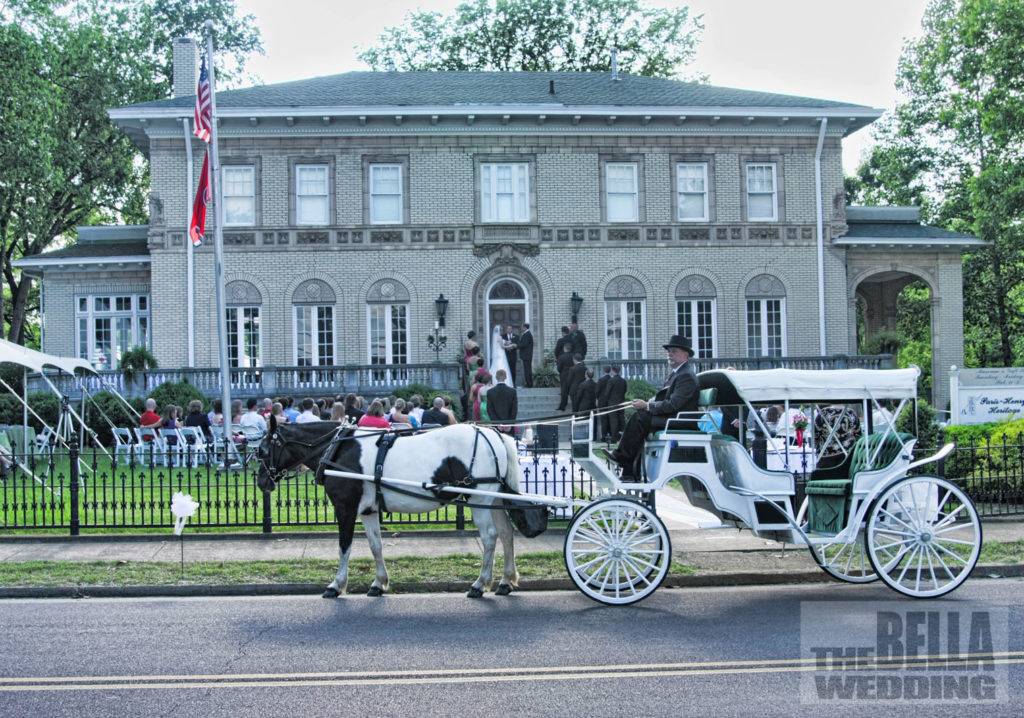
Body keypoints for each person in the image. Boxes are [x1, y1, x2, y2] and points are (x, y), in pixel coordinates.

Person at [611, 336, 699, 480]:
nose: (670, 354)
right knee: (641, 416)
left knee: (641, 418)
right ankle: (629, 469)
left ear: (686, 355)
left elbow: (673, 404)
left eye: (674, 351)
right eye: (669, 351)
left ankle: (624, 459)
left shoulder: (686, 376)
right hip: (672, 417)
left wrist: (647, 406)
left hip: (680, 420)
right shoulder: (676, 374)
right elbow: (664, 399)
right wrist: (647, 403)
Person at [606, 365, 628, 442]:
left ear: (612, 371)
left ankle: (614, 438)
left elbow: (607, 392)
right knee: (622, 420)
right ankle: (624, 437)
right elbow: (625, 390)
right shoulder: (623, 380)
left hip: (612, 403)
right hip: (621, 402)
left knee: (613, 421)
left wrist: (607, 399)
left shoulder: (611, 380)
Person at [556, 342, 575, 411]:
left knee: (564, 391)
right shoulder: (574, 356)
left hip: (564, 375)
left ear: (565, 348)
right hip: (573, 375)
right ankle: (574, 405)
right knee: (573, 390)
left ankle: (563, 406)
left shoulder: (561, 357)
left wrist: (561, 371)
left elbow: (559, 368)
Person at [596, 365, 612, 440]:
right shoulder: (612, 379)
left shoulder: (601, 380)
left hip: (602, 401)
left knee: (603, 419)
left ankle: (604, 436)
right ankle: (610, 434)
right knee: (610, 418)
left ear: (603, 371)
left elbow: (597, 391)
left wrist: (597, 398)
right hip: (610, 401)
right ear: (610, 371)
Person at [517, 322, 535, 388]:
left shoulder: (527, 334)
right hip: (527, 356)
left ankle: (529, 384)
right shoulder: (527, 334)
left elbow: (524, 344)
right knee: (527, 369)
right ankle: (529, 383)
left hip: (526, 356)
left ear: (525, 327)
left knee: (527, 370)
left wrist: (516, 345)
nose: (521, 328)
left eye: (522, 327)